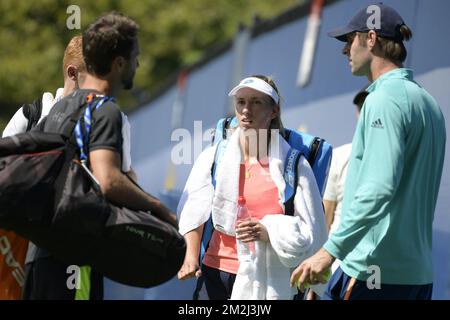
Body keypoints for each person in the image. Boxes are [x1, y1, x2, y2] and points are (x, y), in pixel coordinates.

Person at [290, 3, 446, 300]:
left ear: (371, 39)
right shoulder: (429, 104)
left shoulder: (381, 101)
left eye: (349, 40)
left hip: (374, 273)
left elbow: (378, 189)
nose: (344, 51)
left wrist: (329, 252)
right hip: (417, 276)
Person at [22, 12, 176, 300]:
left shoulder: (59, 108)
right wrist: (159, 209)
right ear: (119, 63)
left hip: (39, 257)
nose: (138, 64)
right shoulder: (105, 111)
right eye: (135, 56)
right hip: (75, 262)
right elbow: (109, 180)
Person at [177, 75, 327, 300]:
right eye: (241, 102)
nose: (246, 109)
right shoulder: (214, 157)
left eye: (256, 102)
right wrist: (190, 255)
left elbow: (312, 229)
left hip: (271, 278)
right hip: (216, 273)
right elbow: (193, 210)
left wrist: (271, 232)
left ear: (273, 111)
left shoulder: (294, 165)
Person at [0, 35, 85, 300]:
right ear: (73, 72)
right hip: (22, 252)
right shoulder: (31, 114)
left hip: (80, 252)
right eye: (94, 73)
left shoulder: (103, 118)